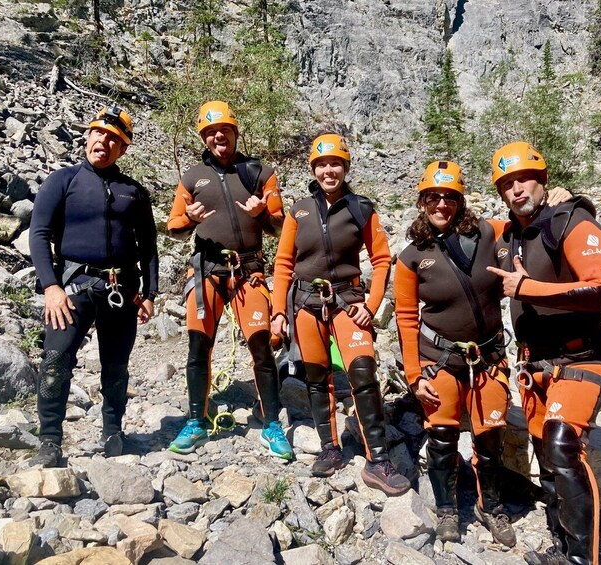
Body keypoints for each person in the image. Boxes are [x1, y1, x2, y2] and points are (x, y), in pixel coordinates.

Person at [487, 142, 601, 565]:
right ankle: (561, 545)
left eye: (524, 179)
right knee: (546, 452)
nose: (516, 190)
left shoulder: (571, 220)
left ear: (543, 181)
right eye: (506, 184)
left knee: (562, 446)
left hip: (582, 358)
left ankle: (583, 559)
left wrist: (529, 288)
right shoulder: (505, 235)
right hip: (535, 364)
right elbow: (457, 228)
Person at [270, 133, 410, 495]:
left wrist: (372, 305)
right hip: (305, 303)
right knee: (317, 376)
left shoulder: (361, 207)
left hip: (348, 300)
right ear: (313, 168)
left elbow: (381, 260)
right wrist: (277, 311)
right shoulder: (298, 210)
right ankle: (330, 448)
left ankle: (377, 460)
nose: (328, 170)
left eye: (335, 163)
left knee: (362, 370)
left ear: (345, 167)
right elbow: (284, 264)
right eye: (321, 164)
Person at [394, 160, 518, 544]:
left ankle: (490, 506)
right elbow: (405, 319)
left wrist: (564, 199)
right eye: (434, 197)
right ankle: (447, 509)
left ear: (461, 200)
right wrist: (415, 375)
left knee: (490, 438)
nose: (442, 205)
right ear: (422, 201)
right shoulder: (411, 256)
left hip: (488, 357)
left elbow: (529, 222)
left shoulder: (488, 232)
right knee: (443, 436)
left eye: (450, 197)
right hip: (440, 358)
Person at [28, 106, 158, 467]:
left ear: (124, 149)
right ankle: (50, 441)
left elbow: (148, 247)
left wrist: (149, 294)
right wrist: (50, 287)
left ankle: (114, 432)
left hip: (122, 288)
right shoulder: (63, 181)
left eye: (114, 139)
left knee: (116, 366)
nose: (104, 141)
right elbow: (38, 235)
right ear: (87, 137)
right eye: (99, 134)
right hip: (72, 286)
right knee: (55, 361)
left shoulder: (134, 191)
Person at [166, 100, 292, 459]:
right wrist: (189, 219)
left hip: (248, 273)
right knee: (198, 346)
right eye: (210, 132)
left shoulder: (259, 172)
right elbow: (173, 228)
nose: (218, 136)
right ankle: (195, 422)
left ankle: (271, 424)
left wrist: (264, 213)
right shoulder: (192, 177)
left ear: (235, 133)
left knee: (261, 346)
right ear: (204, 138)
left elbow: (281, 227)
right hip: (207, 271)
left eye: (224, 130)